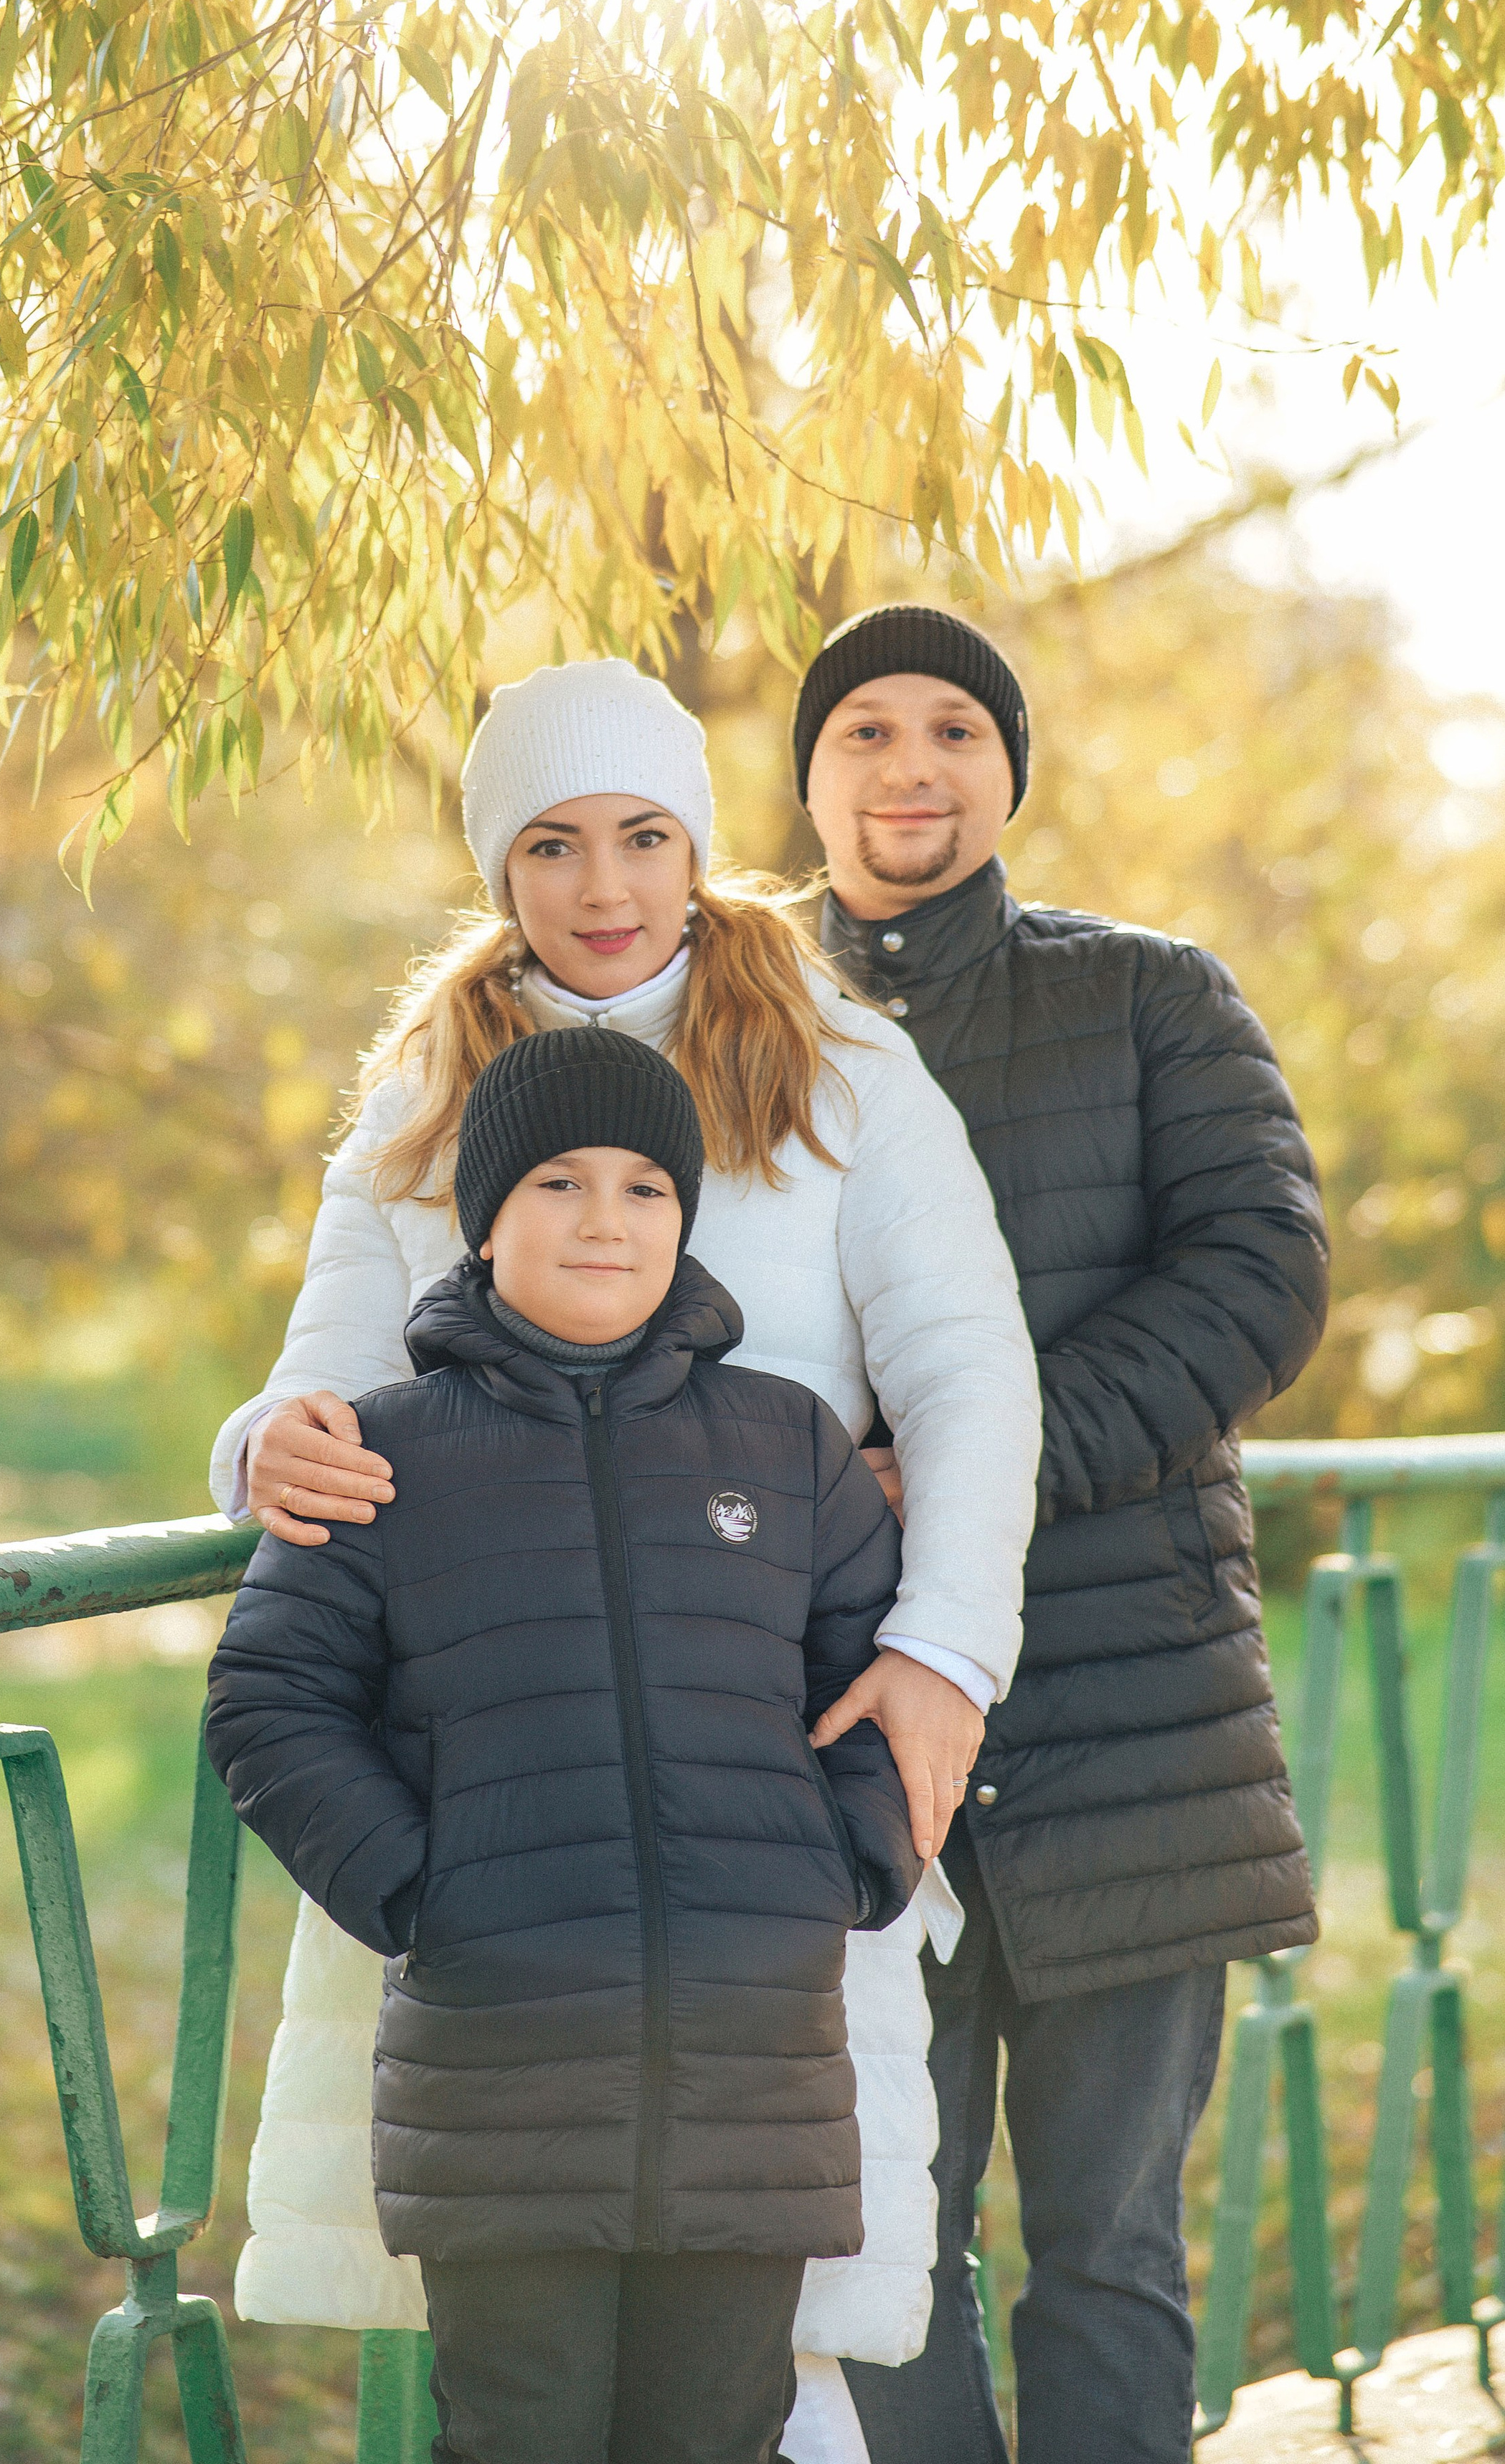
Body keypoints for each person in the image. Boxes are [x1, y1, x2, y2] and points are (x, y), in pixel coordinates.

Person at [209, 655, 1043, 2441]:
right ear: (500, 869)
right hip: (509, 1791)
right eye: (555, 846)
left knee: (776, 2314)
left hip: (771, 1745)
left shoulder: (839, 1062)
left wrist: (940, 1655)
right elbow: (326, 1391)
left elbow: (971, 1370)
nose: (604, 890)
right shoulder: (432, 1076)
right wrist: (258, 1450)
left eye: (644, 838)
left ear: (698, 846)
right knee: (524, 2346)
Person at [206, 1028, 928, 2464]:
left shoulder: (784, 1450)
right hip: (505, 2075)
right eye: (557, 1181)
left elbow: (877, 1678)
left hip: (749, 2078)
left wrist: (839, 1865)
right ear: (484, 1217)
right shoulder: (382, 1453)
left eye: (644, 1187)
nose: (605, 1219)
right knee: (517, 2437)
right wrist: (426, 1887)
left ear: (684, 1216)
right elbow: (266, 1698)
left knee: (715, 2435)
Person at [788, 604, 1329, 2464]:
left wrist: (968, 1466)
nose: (910, 766)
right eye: (865, 730)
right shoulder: (736, 1014)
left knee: (1106, 2250)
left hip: (1131, 1721)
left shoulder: (1152, 997)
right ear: (810, 775)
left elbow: (1263, 1280)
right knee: (880, 2262)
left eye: (955, 727)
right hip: (850, 1735)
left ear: (1010, 768)